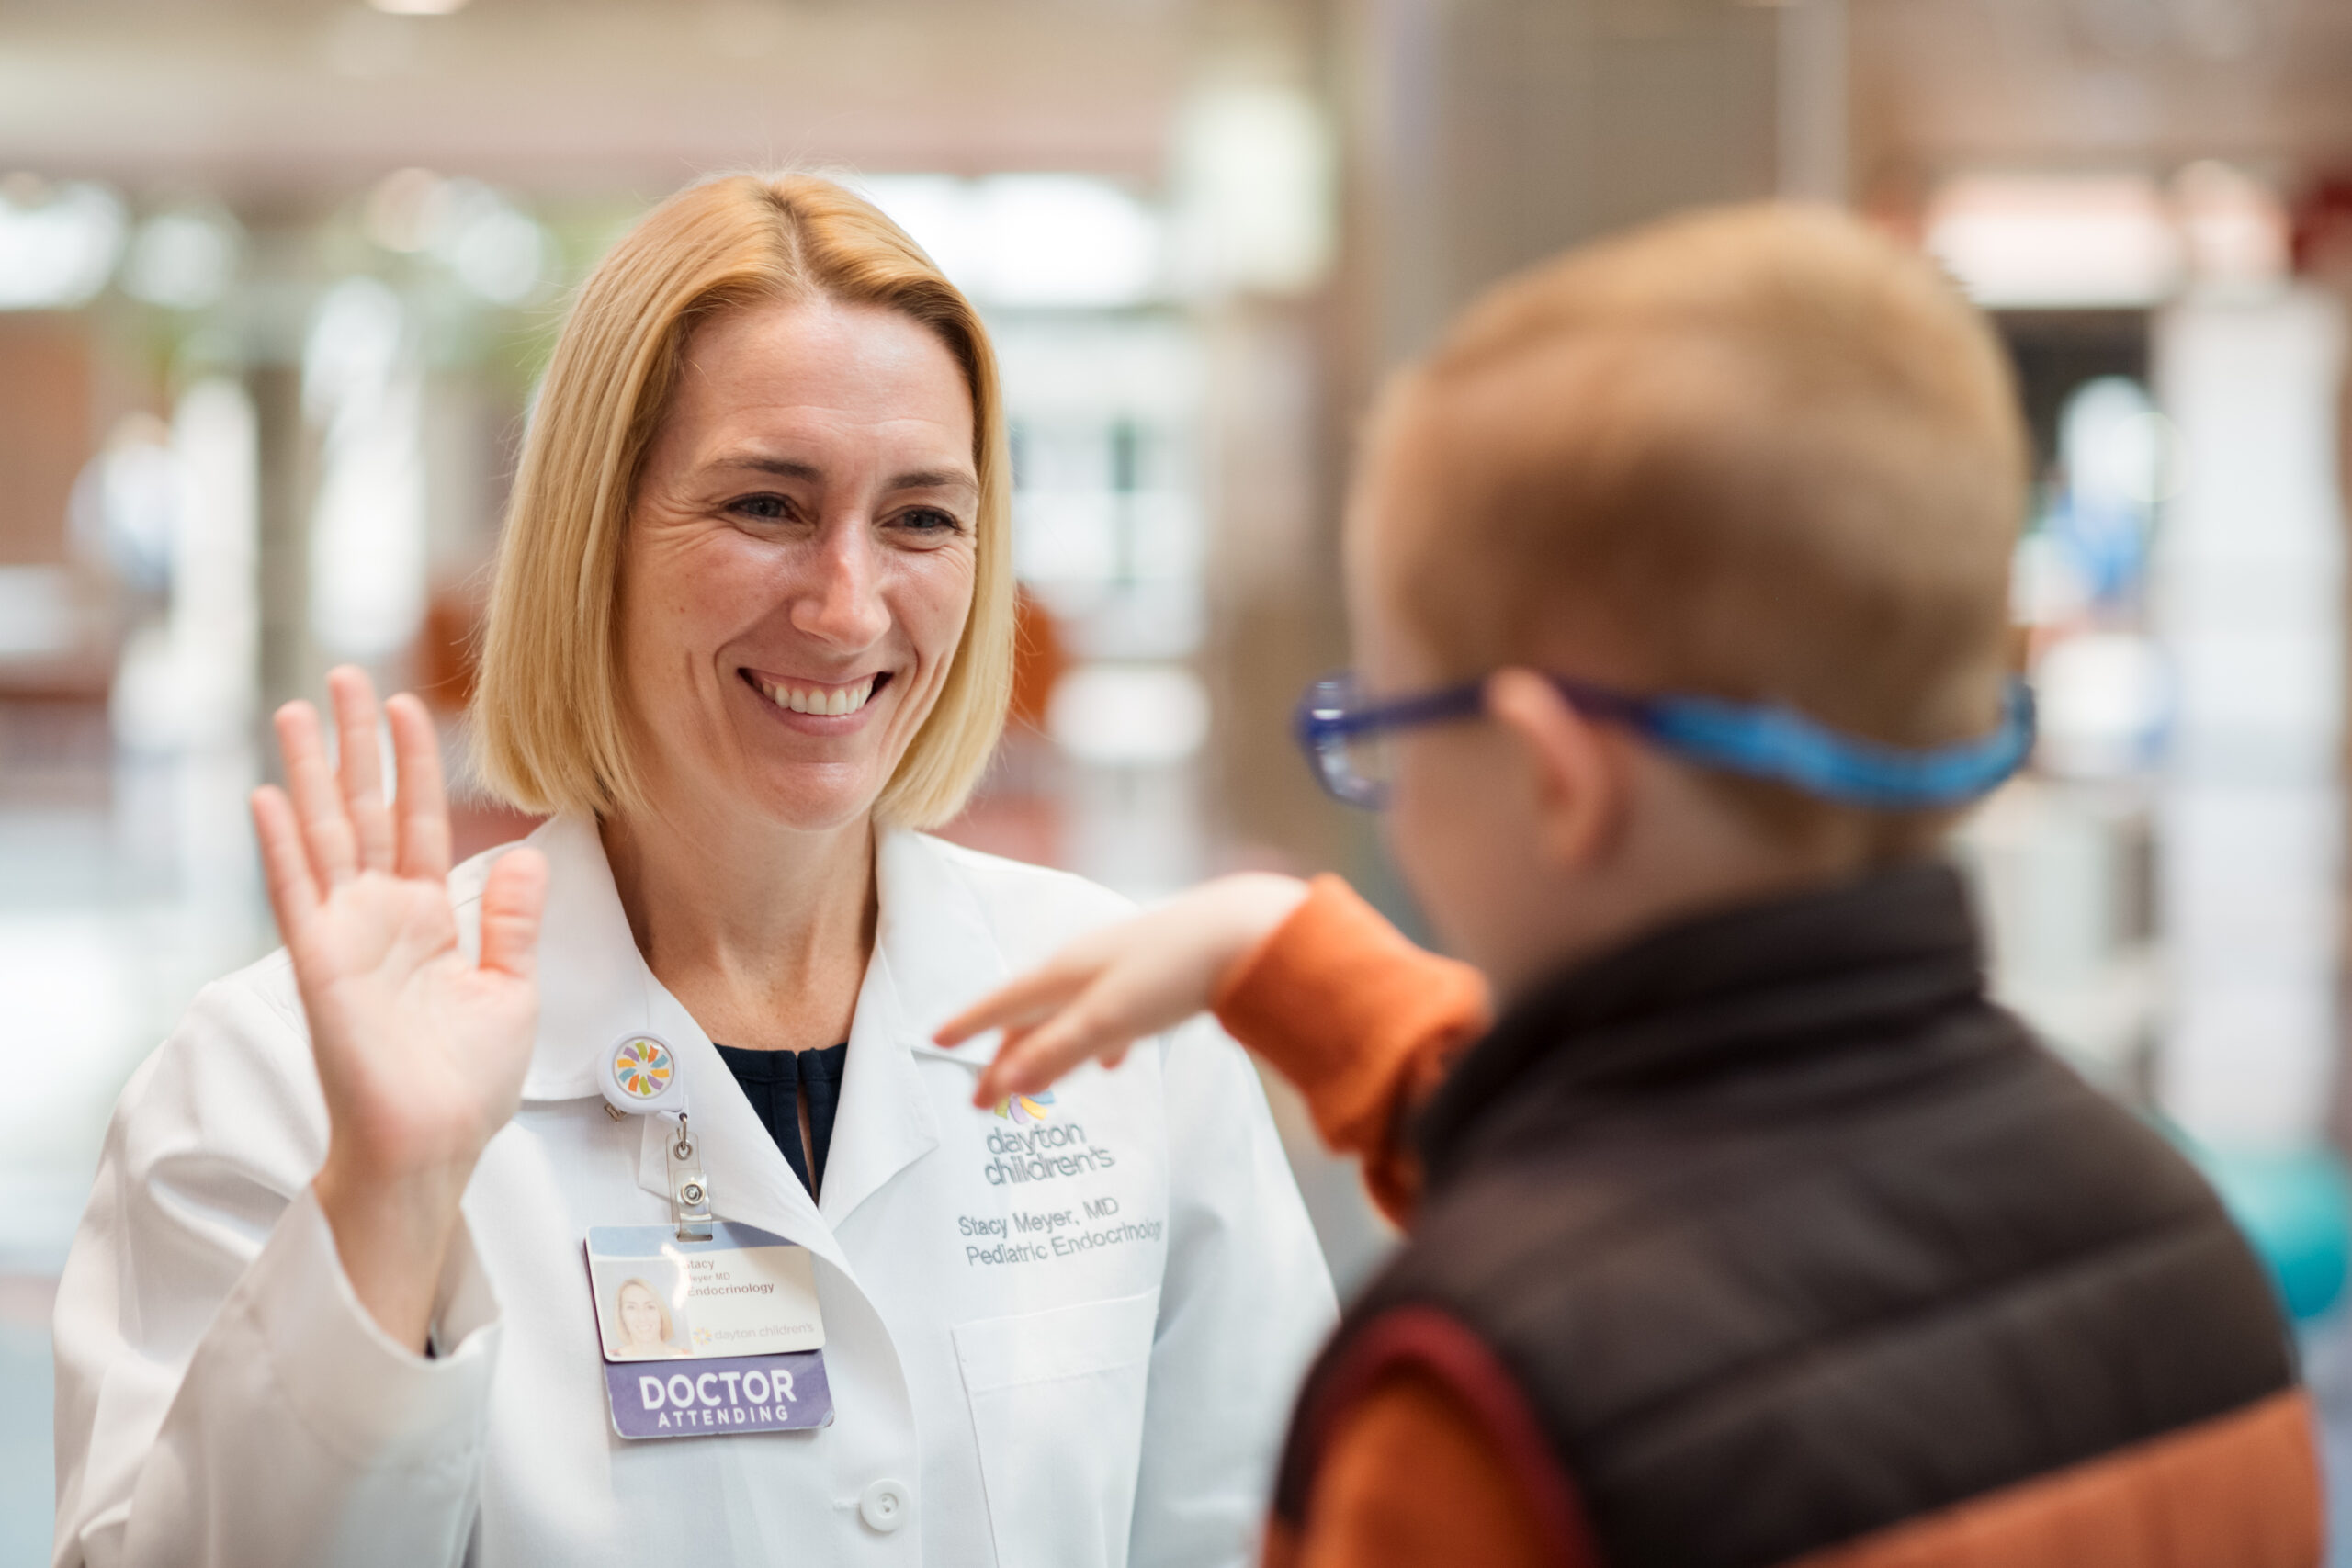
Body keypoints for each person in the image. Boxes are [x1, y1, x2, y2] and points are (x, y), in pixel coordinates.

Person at [940, 205, 2322, 1567]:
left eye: (1384, 729)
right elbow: (1705, 1147)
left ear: (1554, 775)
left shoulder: (1480, 1412)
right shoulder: (2186, 1254)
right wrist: (1283, 950)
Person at [51, 174, 1335, 1568]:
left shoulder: (1131, 1030)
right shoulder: (276, 1077)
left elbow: (1281, 1526)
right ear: (593, 540)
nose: (847, 607)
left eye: (920, 518)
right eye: (768, 504)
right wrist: (385, 1200)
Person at [610, 1279, 691, 1359]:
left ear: (661, 1312)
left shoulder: (688, 1357)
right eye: (631, 1308)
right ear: (621, 1315)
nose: (642, 1317)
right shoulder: (611, 1357)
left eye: (650, 1307)